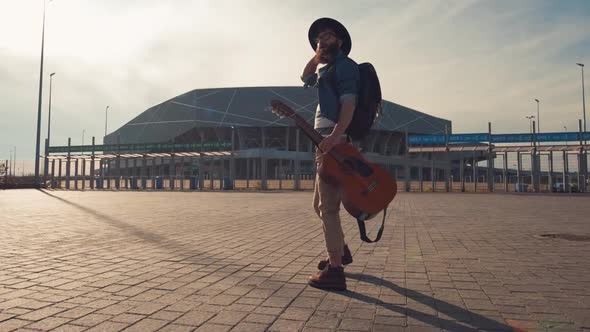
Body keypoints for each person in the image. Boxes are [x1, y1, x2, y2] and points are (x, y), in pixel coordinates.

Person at [300, 17, 359, 290]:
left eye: (328, 36)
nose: (322, 40)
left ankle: (336, 269)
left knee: (329, 208)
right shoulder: (327, 70)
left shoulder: (345, 66)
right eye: (319, 38)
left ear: (340, 41)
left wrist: (335, 136)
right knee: (319, 206)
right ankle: (342, 251)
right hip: (324, 141)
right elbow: (305, 78)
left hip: (335, 141)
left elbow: (349, 102)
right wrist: (316, 57)